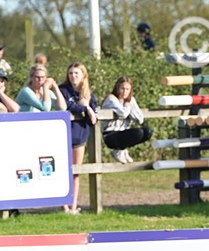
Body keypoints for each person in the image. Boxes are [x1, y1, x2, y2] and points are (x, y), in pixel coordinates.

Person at [60, 62, 98, 214]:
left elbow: (93, 119)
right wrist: (84, 108)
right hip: (64, 137)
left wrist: (88, 108)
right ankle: (64, 206)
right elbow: (68, 107)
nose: (73, 76)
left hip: (81, 137)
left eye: (76, 73)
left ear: (83, 75)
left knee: (76, 172)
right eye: (71, 73)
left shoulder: (89, 95)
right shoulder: (63, 90)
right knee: (64, 172)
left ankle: (73, 206)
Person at [101, 76, 153, 163]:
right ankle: (118, 150)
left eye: (127, 89)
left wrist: (130, 109)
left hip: (123, 132)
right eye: (122, 89)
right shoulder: (111, 99)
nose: (125, 92)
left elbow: (140, 119)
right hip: (110, 135)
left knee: (148, 131)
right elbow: (123, 114)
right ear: (117, 88)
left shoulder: (131, 100)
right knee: (138, 132)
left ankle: (123, 149)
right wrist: (128, 106)